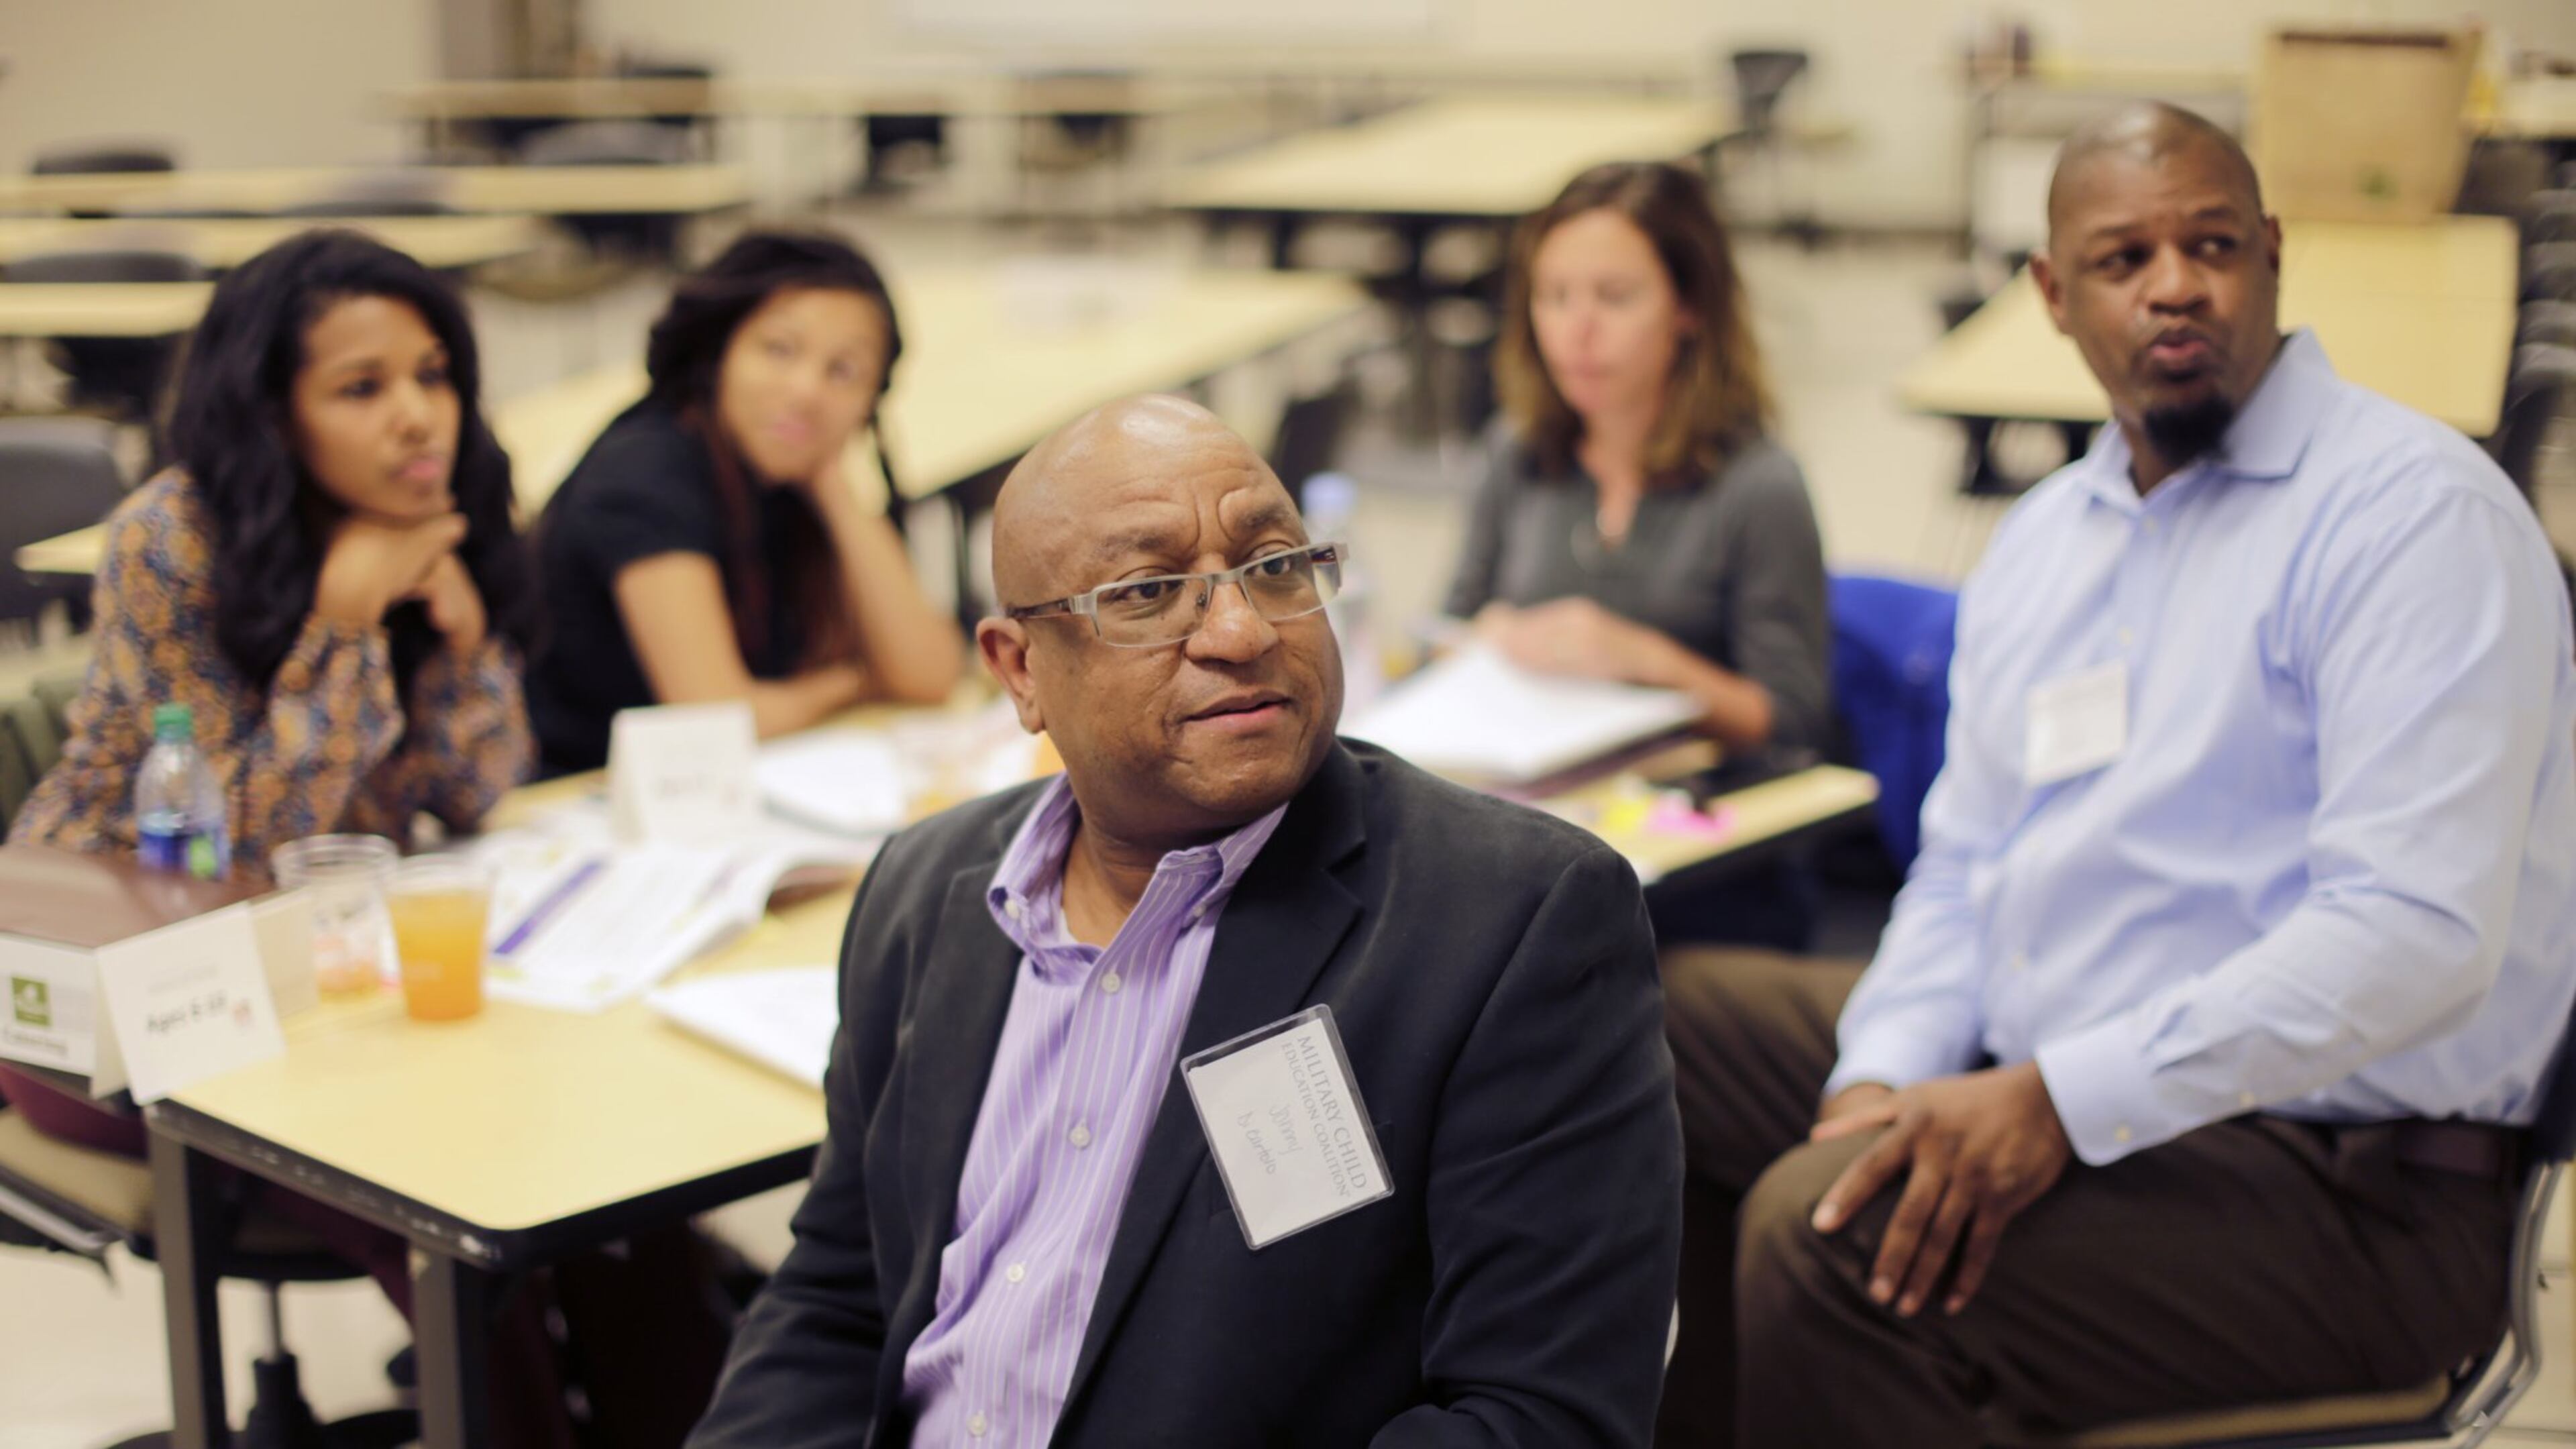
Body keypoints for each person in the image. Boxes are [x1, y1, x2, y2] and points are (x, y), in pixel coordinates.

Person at [1656, 103, 2576, 1448]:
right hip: (2066, 1061)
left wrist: (2060, 1101)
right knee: (1662, 1028)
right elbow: (1964, 871)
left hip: (2353, 1187)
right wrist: (1879, 1075)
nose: (2175, 285)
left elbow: (2414, 933)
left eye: (2212, 245)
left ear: (2272, 254)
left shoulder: (2409, 520)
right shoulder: (2045, 546)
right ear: (2052, 294)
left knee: (1827, 1238)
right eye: (2124, 258)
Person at [688, 395, 1682, 1448]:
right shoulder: (924, 894)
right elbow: (842, 1300)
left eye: (1275, 566)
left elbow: (1537, 1418)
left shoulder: (1512, 924)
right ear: (1020, 669)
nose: (1242, 631)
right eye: (1148, 592)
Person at [13, 228, 534, 869]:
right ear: (274, 414)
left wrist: (466, 645)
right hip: (116, 897)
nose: (419, 418)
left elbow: (475, 798)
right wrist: (343, 626)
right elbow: (233, 850)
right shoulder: (170, 538)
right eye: (362, 389)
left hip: (335, 904)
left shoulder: (434, 518)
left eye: (432, 376)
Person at [527, 229, 961, 773]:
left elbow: (930, 674)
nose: (806, 391)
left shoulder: (785, 475)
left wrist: (834, 490)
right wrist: (852, 683)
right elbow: (716, 716)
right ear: (721, 350)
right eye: (779, 350)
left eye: (843, 371)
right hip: (574, 798)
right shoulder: (645, 473)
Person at [1447, 161, 1830, 761]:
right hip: (1534, 788)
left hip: (1692, 801)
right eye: (1554, 297)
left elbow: (1794, 722)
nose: (1578, 330)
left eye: (1615, 297)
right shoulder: (1516, 450)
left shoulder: (1760, 485)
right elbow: (1445, 634)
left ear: (1689, 307)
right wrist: (1485, 639)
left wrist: (1644, 659)